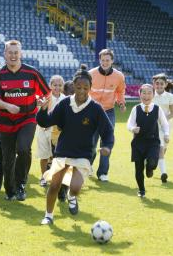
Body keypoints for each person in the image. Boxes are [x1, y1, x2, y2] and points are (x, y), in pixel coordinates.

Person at [37, 65, 114, 225]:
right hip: (64, 150)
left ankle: (72, 196)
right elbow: (46, 121)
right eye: (78, 87)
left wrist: (107, 146)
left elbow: (108, 131)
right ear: (73, 86)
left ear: (90, 88)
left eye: (85, 88)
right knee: (54, 185)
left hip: (83, 153)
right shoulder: (65, 104)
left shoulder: (95, 109)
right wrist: (42, 110)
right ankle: (48, 216)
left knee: (76, 186)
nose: (81, 91)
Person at [0, 40, 50, 201]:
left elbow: (46, 93)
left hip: (27, 118)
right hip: (6, 122)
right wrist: (7, 106)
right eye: (10, 52)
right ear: (5, 54)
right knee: (7, 158)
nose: (13, 55)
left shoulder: (32, 73)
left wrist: (42, 101)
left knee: (23, 149)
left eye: (16, 52)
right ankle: (10, 190)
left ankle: (21, 185)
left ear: (21, 54)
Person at [89, 49, 126, 182]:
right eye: (102, 60)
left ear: (112, 61)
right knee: (91, 143)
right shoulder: (91, 74)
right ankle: (88, 166)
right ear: (99, 60)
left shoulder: (119, 76)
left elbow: (120, 91)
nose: (105, 62)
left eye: (107, 60)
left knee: (107, 143)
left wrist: (121, 102)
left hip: (109, 112)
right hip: (92, 112)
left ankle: (103, 173)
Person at [127, 84, 169, 197]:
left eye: (149, 93)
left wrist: (166, 134)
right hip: (138, 142)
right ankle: (141, 190)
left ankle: (149, 169)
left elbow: (165, 124)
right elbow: (129, 124)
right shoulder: (135, 109)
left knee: (152, 163)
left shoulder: (157, 109)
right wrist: (133, 129)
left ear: (153, 94)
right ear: (139, 94)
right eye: (144, 93)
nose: (146, 95)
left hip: (153, 142)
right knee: (138, 168)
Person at [36, 75, 65, 188]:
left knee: (56, 157)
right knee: (44, 155)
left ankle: (54, 177)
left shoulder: (65, 99)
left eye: (59, 85)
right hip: (43, 130)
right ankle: (43, 177)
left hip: (58, 132)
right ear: (50, 85)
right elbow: (39, 115)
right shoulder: (45, 97)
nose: (57, 87)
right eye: (55, 85)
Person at [152, 73, 173, 183]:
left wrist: (164, 119)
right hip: (153, 127)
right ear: (154, 84)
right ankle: (163, 173)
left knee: (163, 149)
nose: (159, 85)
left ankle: (153, 162)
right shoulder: (150, 95)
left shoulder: (170, 97)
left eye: (161, 83)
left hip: (167, 126)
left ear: (165, 85)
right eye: (157, 83)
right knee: (160, 148)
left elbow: (172, 113)